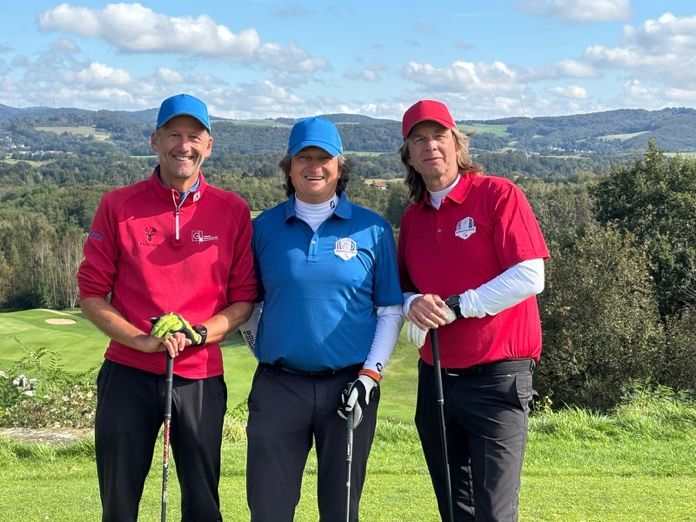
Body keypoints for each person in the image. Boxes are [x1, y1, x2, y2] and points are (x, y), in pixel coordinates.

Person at [77, 93, 257, 521]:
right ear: (155, 140)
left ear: (208, 145)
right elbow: (91, 295)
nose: (184, 145)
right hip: (128, 372)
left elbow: (244, 300)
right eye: (174, 134)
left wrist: (199, 333)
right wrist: (139, 340)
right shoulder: (118, 205)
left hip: (200, 376)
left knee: (202, 503)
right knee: (119, 501)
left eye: (194, 136)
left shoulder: (232, 209)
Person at [397, 99, 549, 522]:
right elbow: (403, 289)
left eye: (439, 136)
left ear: (457, 143)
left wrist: (458, 306)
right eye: (418, 140)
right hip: (436, 378)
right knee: (454, 510)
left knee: (494, 512)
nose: (430, 146)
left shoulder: (498, 194)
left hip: (497, 381)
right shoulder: (414, 216)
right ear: (409, 155)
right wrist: (413, 304)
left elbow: (529, 275)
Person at [245, 116, 403, 521]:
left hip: (349, 386)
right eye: (304, 158)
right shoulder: (263, 228)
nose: (314, 167)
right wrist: (261, 348)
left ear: (340, 166)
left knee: (341, 510)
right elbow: (248, 304)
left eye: (324, 158)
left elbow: (389, 309)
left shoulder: (373, 229)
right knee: (268, 509)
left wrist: (370, 375)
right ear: (289, 166)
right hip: (278, 386)